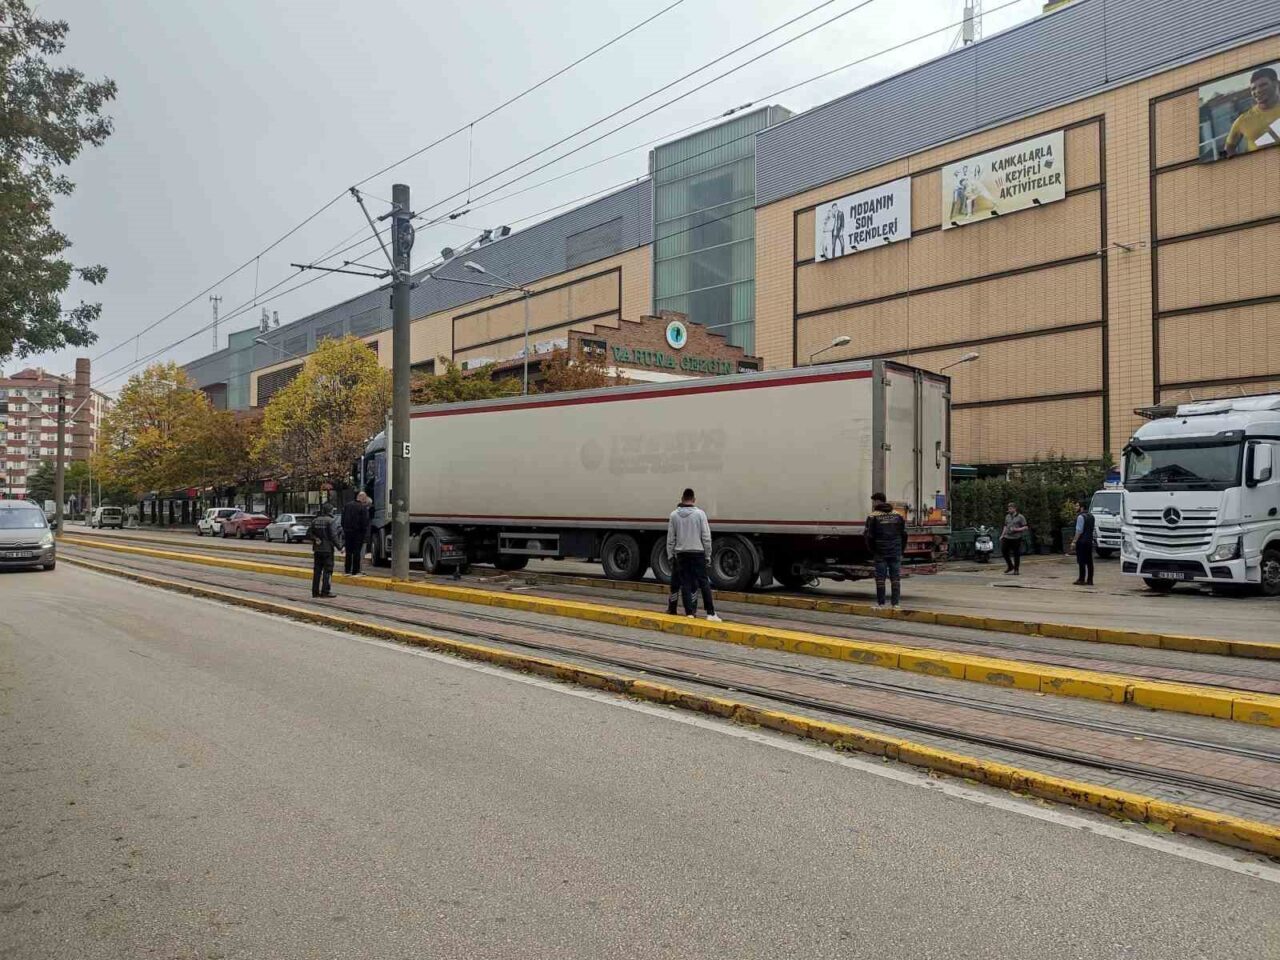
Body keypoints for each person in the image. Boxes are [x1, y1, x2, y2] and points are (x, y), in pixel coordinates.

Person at [666, 488, 721, 622]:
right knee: (703, 583)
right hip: (698, 553)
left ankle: (689, 613)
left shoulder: (674, 515)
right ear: (694, 499)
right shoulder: (700, 514)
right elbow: (706, 537)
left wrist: (670, 555)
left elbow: (670, 538)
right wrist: (708, 555)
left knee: (685, 583)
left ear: (682, 498)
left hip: (681, 553)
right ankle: (710, 613)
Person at [864, 493, 907, 609]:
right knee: (895, 578)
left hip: (880, 552)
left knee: (880, 579)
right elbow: (904, 534)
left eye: (874, 502)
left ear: (877, 502)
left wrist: (873, 550)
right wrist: (901, 550)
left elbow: (869, 536)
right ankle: (896, 604)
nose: (873, 504)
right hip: (895, 551)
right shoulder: (897, 515)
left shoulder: (873, 516)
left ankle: (881, 603)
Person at [1225, 66, 1280, 156]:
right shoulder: (1242, 120)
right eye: (1253, 88)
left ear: (1276, 83)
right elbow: (1228, 149)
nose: (1258, 91)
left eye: (1263, 85)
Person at [307, 503, 341, 598]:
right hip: (327, 550)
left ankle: (315, 592)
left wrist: (315, 538)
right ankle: (325, 591)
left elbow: (309, 533)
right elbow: (333, 536)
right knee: (328, 571)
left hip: (317, 550)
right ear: (330, 511)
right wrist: (340, 547)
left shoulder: (315, 520)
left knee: (317, 571)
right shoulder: (331, 521)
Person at [340, 492, 372, 575]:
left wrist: (345, 529)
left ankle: (347, 570)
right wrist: (364, 532)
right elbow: (365, 522)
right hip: (358, 533)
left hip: (348, 532)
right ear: (361, 497)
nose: (365, 500)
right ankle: (355, 570)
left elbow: (342, 520)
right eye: (364, 498)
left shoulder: (347, 505)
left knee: (349, 552)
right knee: (357, 552)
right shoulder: (362, 507)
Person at [1070, 501, 1095, 587]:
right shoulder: (1091, 516)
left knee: (1081, 561)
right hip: (1089, 541)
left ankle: (1081, 579)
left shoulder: (1080, 517)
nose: (1075, 508)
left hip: (1082, 541)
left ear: (1082, 508)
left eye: (1077, 506)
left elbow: (1079, 531)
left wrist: (1074, 541)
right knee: (1089, 561)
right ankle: (1090, 580)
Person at [1001, 502, 1028, 575]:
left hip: (1016, 538)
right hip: (1007, 537)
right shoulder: (1007, 516)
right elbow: (1005, 526)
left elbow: (1025, 527)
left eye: (1010, 508)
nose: (1009, 510)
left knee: (1016, 553)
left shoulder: (1020, 517)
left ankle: (1016, 569)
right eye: (1008, 508)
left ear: (1015, 509)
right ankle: (1010, 566)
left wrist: (1017, 529)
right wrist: (1002, 535)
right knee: (1004, 551)